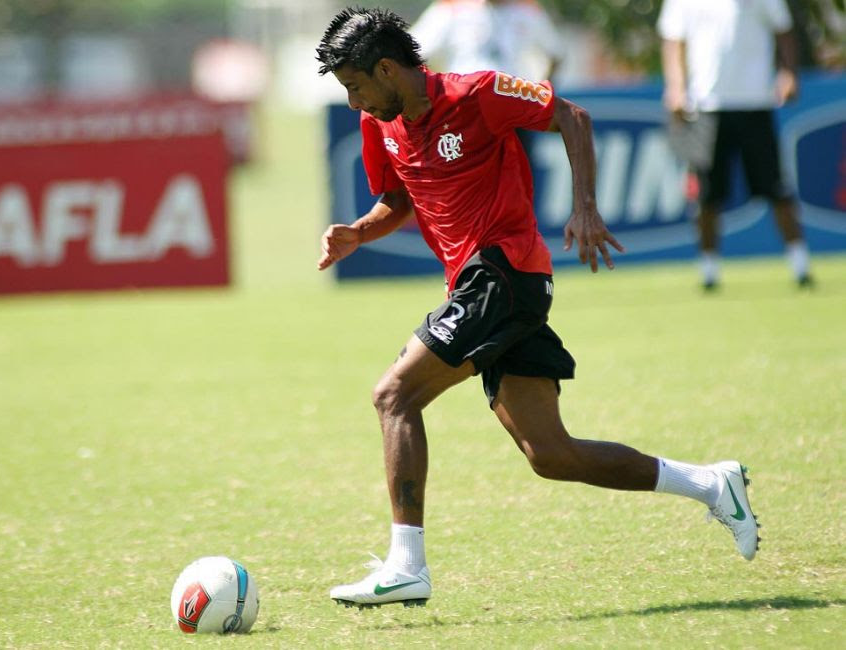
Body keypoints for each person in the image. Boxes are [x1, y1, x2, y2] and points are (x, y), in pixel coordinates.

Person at [315, 7, 759, 609]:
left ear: (388, 68)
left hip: (504, 272)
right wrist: (358, 234)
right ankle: (712, 484)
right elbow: (397, 199)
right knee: (551, 455)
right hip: (480, 288)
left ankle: (406, 565)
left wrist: (584, 207)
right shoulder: (380, 124)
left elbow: (572, 116)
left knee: (394, 395)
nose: (353, 102)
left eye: (355, 85)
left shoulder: (480, 92)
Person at [658, 0, 813, 290]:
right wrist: (676, 86)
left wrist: (789, 71)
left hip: (755, 103)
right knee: (706, 194)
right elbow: (672, 40)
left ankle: (800, 264)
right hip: (705, 104)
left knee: (776, 187)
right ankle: (708, 270)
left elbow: (785, 30)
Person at [411, 0, 564, 80]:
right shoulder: (452, 9)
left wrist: (541, 93)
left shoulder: (527, 9)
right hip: (467, 106)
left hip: (514, 107)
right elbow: (411, 51)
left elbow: (556, 54)